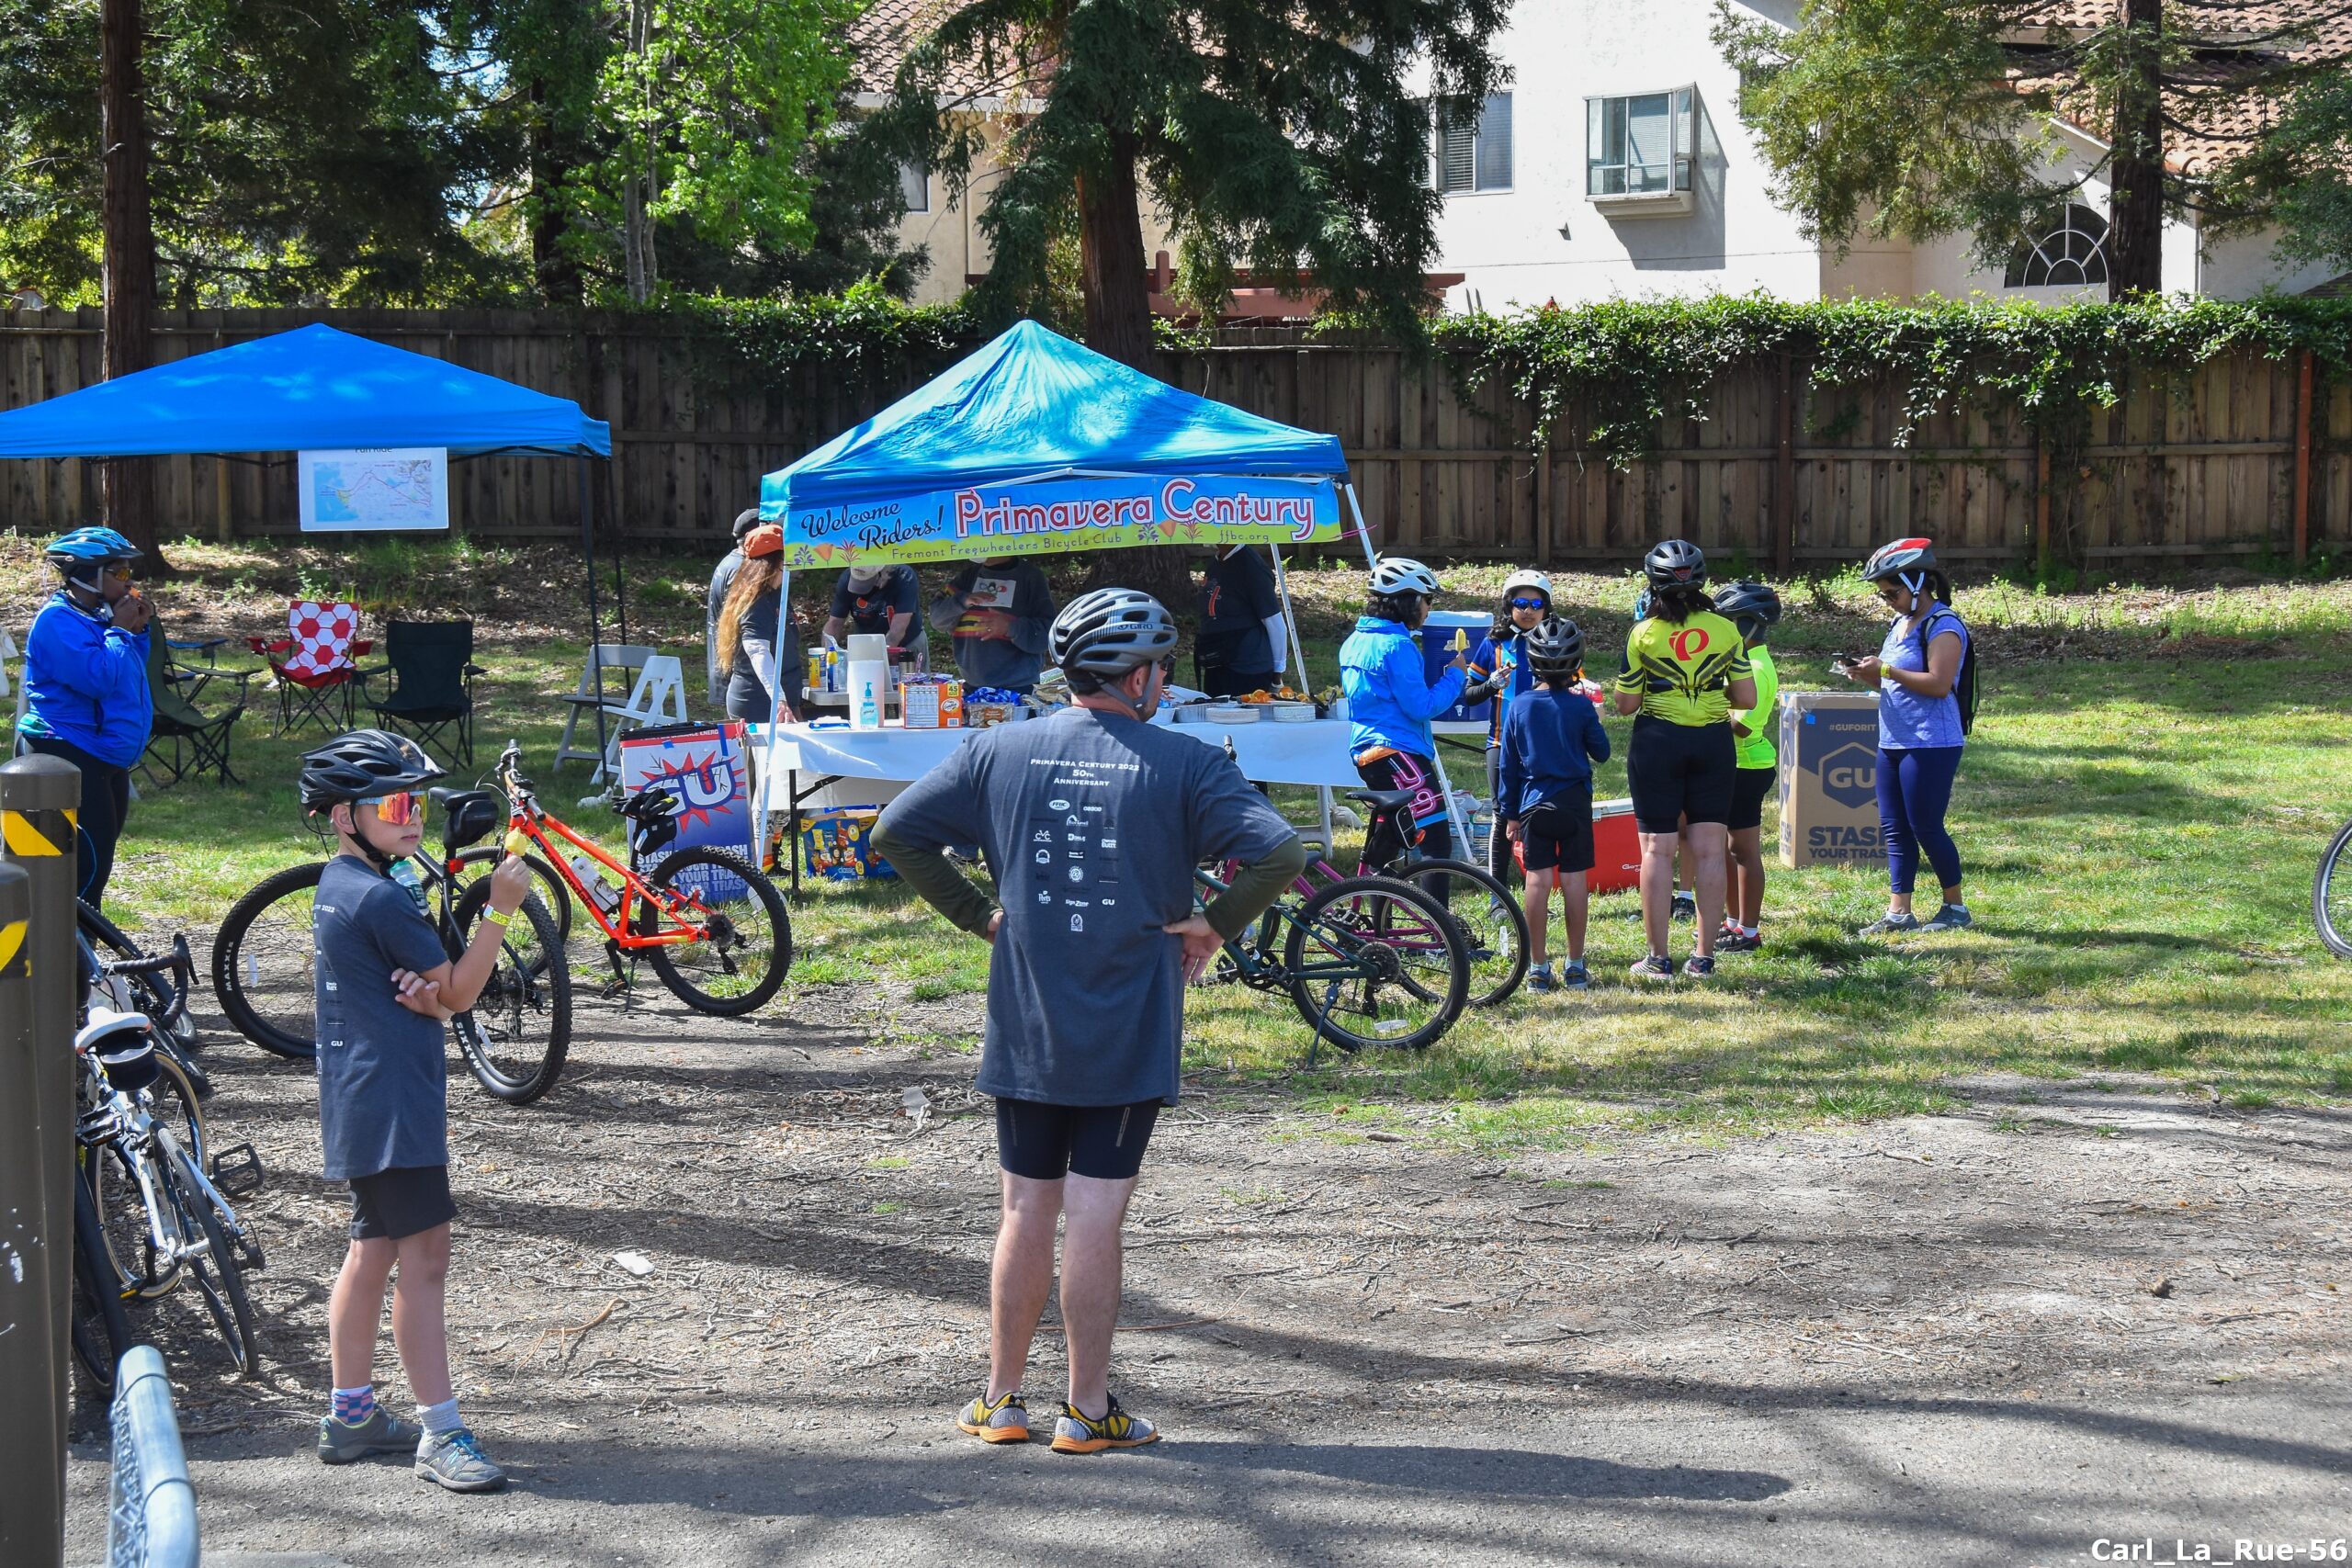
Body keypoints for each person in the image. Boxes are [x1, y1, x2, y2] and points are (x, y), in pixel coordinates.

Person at [871, 589, 1306, 1454]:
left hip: (1028, 1016)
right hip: (1130, 1020)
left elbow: (895, 832)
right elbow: (1283, 852)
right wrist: (1217, 925)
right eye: (1162, 670)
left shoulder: (996, 747)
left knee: (1025, 1207)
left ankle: (1000, 1402)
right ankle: (1088, 1408)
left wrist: (979, 915)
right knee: (1097, 1212)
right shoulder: (1188, 762)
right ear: (1141, 677)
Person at [299, 728, 530, 1492]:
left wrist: (429, 1001)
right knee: (423, 1261)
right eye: (393, 803)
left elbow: (427, 993)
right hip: (393, 1100)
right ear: (342, 816)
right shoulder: (381, 895)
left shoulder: (339, 882)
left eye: (417, 802)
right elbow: (462, 992)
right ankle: (441, 1430)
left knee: (373, 1253)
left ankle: (352, 1412)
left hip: (365, 1092)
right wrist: (500, 909)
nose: (412, 816)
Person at [1612, 539, 1755, 982]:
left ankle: (1657, 959)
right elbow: (1746, 697)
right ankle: (1703, 958)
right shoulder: (1727, 629)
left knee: (1657, 849)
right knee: (1711, 850)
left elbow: (1626, 704)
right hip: (1713, 742)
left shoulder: (1643, 634)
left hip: (1658, 741)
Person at [1838, 537, 1973, 934]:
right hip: (1893, 739)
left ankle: (1955, 908)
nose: (1889, 601)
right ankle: (1900, 912)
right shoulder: (1900, 624)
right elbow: (1895, 685)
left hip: (1932, 741)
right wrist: (1868, 676)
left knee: (1926, 825)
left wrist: (1886, 671)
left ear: (1917, 584)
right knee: (1894, 826)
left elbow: (1937, 684)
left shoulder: (1944, 625)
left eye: (1893, 593)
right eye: (1884, 596)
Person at [18, 526, 152, 908]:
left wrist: (137, 632)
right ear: (90, 575)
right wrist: (122, 632)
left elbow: (127, 673)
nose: (130, 582)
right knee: (87, 873)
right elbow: (98, 680)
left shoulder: (99, 616)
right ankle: (68, 962)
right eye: (121, 573)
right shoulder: (57, 622)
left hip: (105, 754)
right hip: (69, 751)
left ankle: (79, 960)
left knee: (98, 865)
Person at [1498, 616, 1610, 992]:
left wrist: (1509, 813)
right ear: (1577, 662)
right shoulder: (1580, 707)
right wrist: (1595, 715)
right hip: (1574, 803)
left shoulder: (1519, 705)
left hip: (1533, 805)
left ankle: (1538, 967)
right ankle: (1575, 965)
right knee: (1575, 879)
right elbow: (1603, 753)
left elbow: (1508, 765)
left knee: (1538, 879)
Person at [1340, 557, 1468, 874]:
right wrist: (1455, 676)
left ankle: (1373, 917)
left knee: (1390, 843)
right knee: (1436, 844)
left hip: (1367, 752)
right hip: (1399, 753)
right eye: (1427, 600)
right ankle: (1441, 923)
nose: (1428, 608)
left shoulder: (1353, 642)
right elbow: (1421, 707)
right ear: (1408, 601)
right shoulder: (1397, 645)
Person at [1463, 569, 1553, 879]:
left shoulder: (1555, 642)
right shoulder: (1493, 644)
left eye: (1536, 603)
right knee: (1503, 816)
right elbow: (1469, 695)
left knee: (1537, 814)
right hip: (1500, 742)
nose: (1528, 611)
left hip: (1542, 744)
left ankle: (1535, 892)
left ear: (1547, 608)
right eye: (1521, 602)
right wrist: (1491, 684)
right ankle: (1497, 899)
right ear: (1508, 605)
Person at [1710, 581, 1782, 953]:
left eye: (1730, 623)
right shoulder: (1740, 661)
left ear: (1750, 625)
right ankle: (1733, 922)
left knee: (1744, 850)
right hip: (1728, 765)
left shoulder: (1756, 667)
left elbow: (1740, 726)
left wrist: (1701, 713)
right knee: (1724, 848)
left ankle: (1750, 931)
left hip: (1747, 766)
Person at [716, 525, 807, 725]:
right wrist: (780, 699)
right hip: (758, 702)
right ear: (771, 563)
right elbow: (757, 651)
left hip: (781, 698)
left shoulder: (776, 594)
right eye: (786, 560)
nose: (791, 567)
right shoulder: (757, 600)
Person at [929, 556, 1055, 694]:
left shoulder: (1031, 577)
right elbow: (937, 619)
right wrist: (963, 600)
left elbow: (1047, 634)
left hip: (1019, 689)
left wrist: (1010, 627)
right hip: (973, 687)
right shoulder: (967, 578)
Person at [1193, 543, 1286, 697]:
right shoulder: (1216, 562)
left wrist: (1277, 674)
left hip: (1247, 667)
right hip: (1216, 662)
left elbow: (1276, 625)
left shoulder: (1252, 568)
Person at [706, 507, 763, 702]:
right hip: (740, 673)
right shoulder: (742, 569)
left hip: (729, 667)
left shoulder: (728, 562)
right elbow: (749, 625)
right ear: (751, 536)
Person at [823, 562, 923, 663]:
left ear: (884, 573)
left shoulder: (904, 576)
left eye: (867, 582)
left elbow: (897, 630)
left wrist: (878, 660)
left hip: (908, 642)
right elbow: (834, 623)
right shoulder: (846, 578)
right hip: (866, 643)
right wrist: (827, 658)